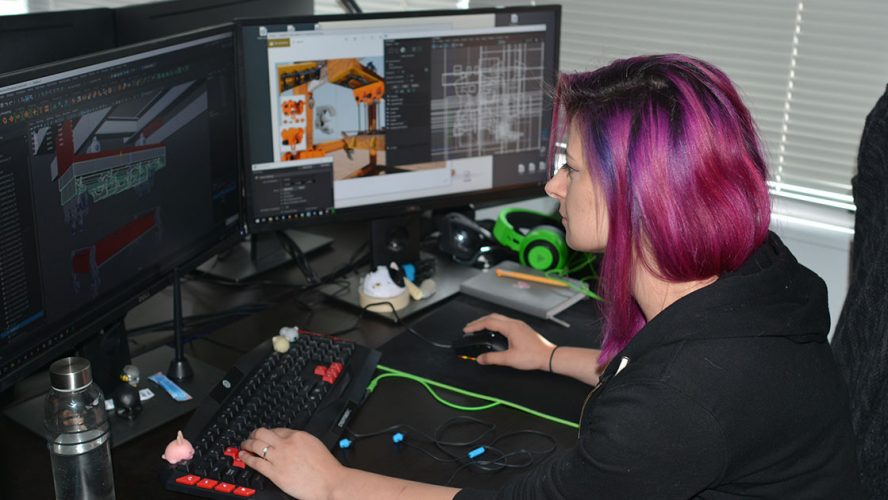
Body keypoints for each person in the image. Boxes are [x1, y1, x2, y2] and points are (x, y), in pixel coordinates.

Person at [239, 54, 864, 499]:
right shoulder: (754, 272)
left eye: (575, 169)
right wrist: (550, 357)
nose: (553, 186)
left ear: (641, 199)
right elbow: (666, 371)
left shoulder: (677, 404)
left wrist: (335, 484)